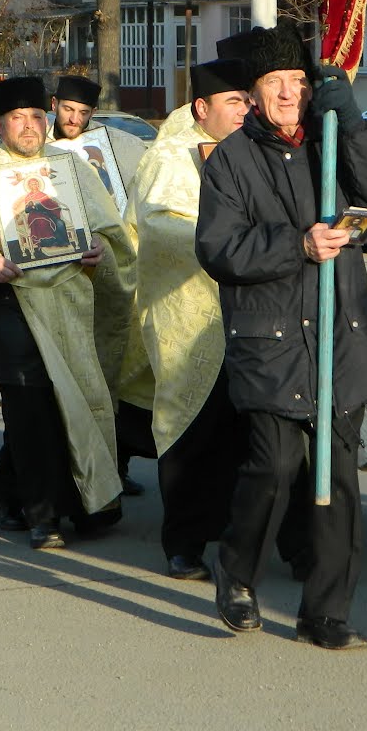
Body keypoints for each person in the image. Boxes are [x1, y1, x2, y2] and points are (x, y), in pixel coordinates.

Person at [195, 21, 367, 649]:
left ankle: (327, 612)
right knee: (274, 467)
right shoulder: (231, 158)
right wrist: (297, 245)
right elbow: (218, 249)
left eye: (298, 81)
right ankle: (236, 571)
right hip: (274, 339)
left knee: (341, 480)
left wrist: (357, 119)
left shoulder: (333, 137)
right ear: (254, 93)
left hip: (339, 334)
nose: (289, 94)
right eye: (274, 83)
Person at [0, 75, 134, 550]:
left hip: (69, 303)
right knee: (30, 414)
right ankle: (42, 516)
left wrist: (97, 251)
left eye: (36, 117)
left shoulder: (70, 168)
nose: (29, 127)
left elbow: (109, 230)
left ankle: (38, 496)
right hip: (11, 306)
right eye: (17, 118)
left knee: (74, 402)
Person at [126, 58, 252, 580]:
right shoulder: (170, 159)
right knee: (191, 433)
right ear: (202, 108)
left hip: (246, 316)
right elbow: (159, 224)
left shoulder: (252, 154)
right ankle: (183, 543)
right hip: (187, 318)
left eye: (247, 100)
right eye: (233, 102)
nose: (245, 110)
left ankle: (234, 529)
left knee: (241, 434)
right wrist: (232, 247)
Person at [50, 73, 149, 495]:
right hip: (55, 274)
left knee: (111, 374)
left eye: (83, 113)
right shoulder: (34, 143)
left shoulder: (114, 148)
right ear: (54, 104)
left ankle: (116, 467)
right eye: (68, 110)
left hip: (107, 271)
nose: (74, 120)